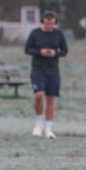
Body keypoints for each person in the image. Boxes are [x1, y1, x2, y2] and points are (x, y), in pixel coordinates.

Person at [25, 11, 68, 139]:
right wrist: (40, 52)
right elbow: (27, 49)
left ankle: (48, 129)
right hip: (38, 70)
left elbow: (65, 51)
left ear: (55, 23)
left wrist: (55, 53)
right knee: (39, 95)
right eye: (47, 23)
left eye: (52, 23)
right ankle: (38, 124)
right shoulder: (35, 33)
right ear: (43, 21)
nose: (50, 25)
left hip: (53, 71)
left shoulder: (59, 34)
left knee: (50, 100)